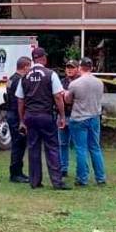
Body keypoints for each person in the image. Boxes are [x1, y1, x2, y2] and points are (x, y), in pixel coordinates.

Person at [15, 47, 71, 190]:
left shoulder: (24, 77)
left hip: (30, 117)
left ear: (34, 59)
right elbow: (58, 96)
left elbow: (20, 100)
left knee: (33, 148)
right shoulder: (50, 74)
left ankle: (34, 181)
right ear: (43, 58)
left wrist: (22, 120)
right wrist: (62, 115)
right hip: (46, 116)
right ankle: (57, 182)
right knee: (52, 147)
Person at [65, 57, 106, 187]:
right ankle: (100, 177)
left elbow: (68, 100)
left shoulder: (75, 84)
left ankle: (82, 178)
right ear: (92, 67)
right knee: (95, 148)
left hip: (79, 118)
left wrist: (65, 94)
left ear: (80, 68)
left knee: (81, 149)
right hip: (94, 117)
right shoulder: (99, 83)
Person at [5, 56, 32, 183]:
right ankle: (15, 174)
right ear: (25, 66)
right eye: (29, 66)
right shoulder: (20, 81)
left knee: (18, 144)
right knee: (19, 144)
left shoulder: (11, 79)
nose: (30, 69)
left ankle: (18, 172)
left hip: (10, 113)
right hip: (16, 115)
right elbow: (20, 100)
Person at [60, 59, 80, 177]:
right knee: (62, 143)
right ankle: (63, 168)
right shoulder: (61, 81)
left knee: (78, 145)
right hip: (62, 115)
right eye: (68, 67)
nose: (69, 69)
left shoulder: (80, 82)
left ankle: (80, 168)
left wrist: (66, 95)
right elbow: (57, 97)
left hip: (76, 116)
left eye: (72, 67)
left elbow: (74, 99)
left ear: (77, 69)